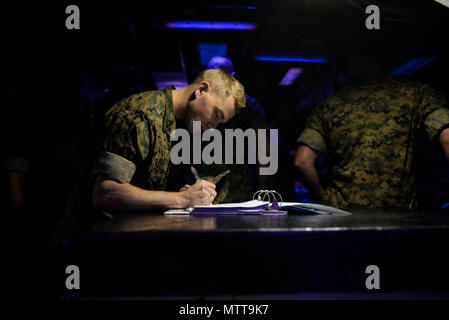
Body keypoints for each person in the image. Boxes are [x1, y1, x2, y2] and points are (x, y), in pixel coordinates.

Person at [55, 68, 245, 239]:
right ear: (202, 89)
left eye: (220, 122)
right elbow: (105, 192)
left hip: (130, 238)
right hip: (89, 242)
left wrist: (189, 190)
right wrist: (183, 199)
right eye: (216, 114)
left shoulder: (182, 125)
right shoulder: (139, 115)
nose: (213, 126)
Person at [294, 55, 449, 209]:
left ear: (351, 67)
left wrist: (324, 199)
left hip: (344, 212)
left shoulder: (328, 106)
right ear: (385, 64)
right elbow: (447, 138)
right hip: (398, 214)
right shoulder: (418, 94)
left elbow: (302, 162)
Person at [189, 56, 270, 203]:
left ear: (232, 77)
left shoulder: (247, 104)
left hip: (235, 187)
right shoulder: (196, 100)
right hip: (203, 186)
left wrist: (261, 186)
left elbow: (263, 147)